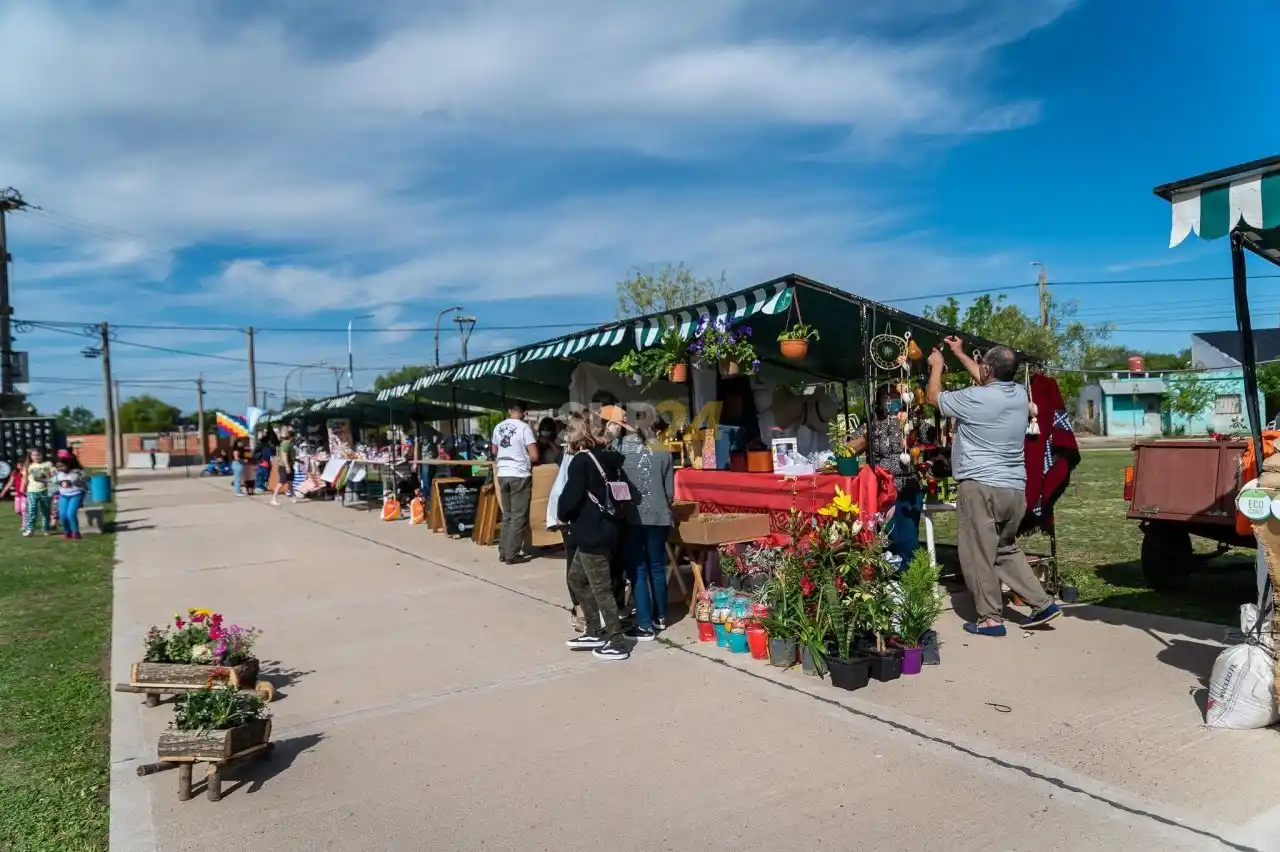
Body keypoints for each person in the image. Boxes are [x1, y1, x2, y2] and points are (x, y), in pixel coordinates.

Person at [927, 337, 1060, 636]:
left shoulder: (975, 398)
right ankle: (1042, 603)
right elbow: (987, 378)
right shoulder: (1017, 393)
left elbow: (934, 398)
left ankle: (989, 619)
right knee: (1005, 548)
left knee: (977, 553)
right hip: (1013, 490)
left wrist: (936, 367)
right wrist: (960, 353)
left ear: (988, 370)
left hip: (981, 486)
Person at [557, 422, 630, 661]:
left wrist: (561, 515)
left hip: (592, 531)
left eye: (568, 435)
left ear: (577, 438)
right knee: (576, 578)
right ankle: (594, 629)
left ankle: (616, 641)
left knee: (600, 588)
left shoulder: (581, 462)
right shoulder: (608, 457)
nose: (565, 439)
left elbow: (570, 497)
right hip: (609, 527)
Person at [846, 386, 919, 563]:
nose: (890, 401)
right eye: (886, 397)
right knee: (885, 538)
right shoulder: (870, 424)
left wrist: (913, 420)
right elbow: (847, 449)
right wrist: (867, 435)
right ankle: (888, 579)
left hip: (907, 486)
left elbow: (928, 436)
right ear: (878, 402)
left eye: (894, 396)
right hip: (882, 489)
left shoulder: (909, 418)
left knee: (907, 539)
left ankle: (908, 578)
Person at [618, 420, 675, 640]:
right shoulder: (664, 453)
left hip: (633, 517)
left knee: (638, 571)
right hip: (659, 516)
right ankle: (660, 616)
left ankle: (644, 624)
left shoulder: (624, 451)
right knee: (657, 567)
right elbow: (670, 493)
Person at [547, 413, 589, 632]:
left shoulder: (570, 453)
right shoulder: (574, 456)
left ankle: (581, 610)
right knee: (576, 564)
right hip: (572, 516)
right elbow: (569, 491)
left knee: (577, 563)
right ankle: (581, 611)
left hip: (570, 516)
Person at [490, 401, 538, 564]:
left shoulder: (498, 427)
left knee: (507, 515)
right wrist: (524, 457)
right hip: (519, 473)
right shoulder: (525, 428)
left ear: (510, 410)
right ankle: (512, 554)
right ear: (524, 412)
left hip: (502, 472)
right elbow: (534, 455)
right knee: (518, 516)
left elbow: (494, 451)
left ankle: (503, 551)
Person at [54, 452, 86, 540]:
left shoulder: (76, 472)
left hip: (76, 495)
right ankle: (67, 532)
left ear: (69, 464)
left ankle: (76, 533)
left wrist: (77, 482)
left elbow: (84, 484)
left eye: (62, 466)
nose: (60, 468)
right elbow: (53, 483)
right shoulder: (58, 474)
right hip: (64, 496)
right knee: (62, 515)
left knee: (71, 514)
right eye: (58, 467)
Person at [22, 449, 54, 536]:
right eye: (34, 455)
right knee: (32, 511)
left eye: (38, 455)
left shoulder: (48, 464)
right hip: (32, 491)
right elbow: (25, 478)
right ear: (30, 456)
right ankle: (30, 530)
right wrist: (23, 488)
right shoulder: (28, 465)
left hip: (45, 491)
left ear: (41, 455)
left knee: (45, 511)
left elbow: (53, 476)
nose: (36, 457)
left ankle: (45, 529)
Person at [270, 427, 296, 507]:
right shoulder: (285, 444)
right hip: (284, 466)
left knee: (290, 482)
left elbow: (290, 456)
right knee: (281, 482)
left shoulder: (289, 444)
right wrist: (287, 467)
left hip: (289, 465)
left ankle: (292, 497)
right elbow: (284, 456)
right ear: (292, 437)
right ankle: (273, 499)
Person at [0, 457, 27, 531]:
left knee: (24, 509)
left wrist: (25, 474)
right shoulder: (15, 473)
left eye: (22, 465)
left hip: (25, 495)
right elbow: (10, 483)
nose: (20, 466)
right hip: (18, 495)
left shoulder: (27, 473)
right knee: (17, 510)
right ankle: (27, 517)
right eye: (19, 465)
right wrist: (3, 491)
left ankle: (24, 525)